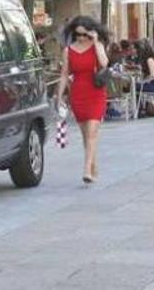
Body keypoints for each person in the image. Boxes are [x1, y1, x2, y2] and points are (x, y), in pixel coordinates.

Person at [56, 16, 109, 183]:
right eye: (78, 34)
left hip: (96, 92)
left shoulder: (97, 46)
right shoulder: (68, 50)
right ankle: (93, 165)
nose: (81, 38)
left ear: (91, 33)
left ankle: (86, 170)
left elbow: (104, 63)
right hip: (78, 93)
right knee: (86, 135)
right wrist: (59, 97)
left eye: (85, 34)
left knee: (92, 132)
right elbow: (64, 74)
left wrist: (95, 42)